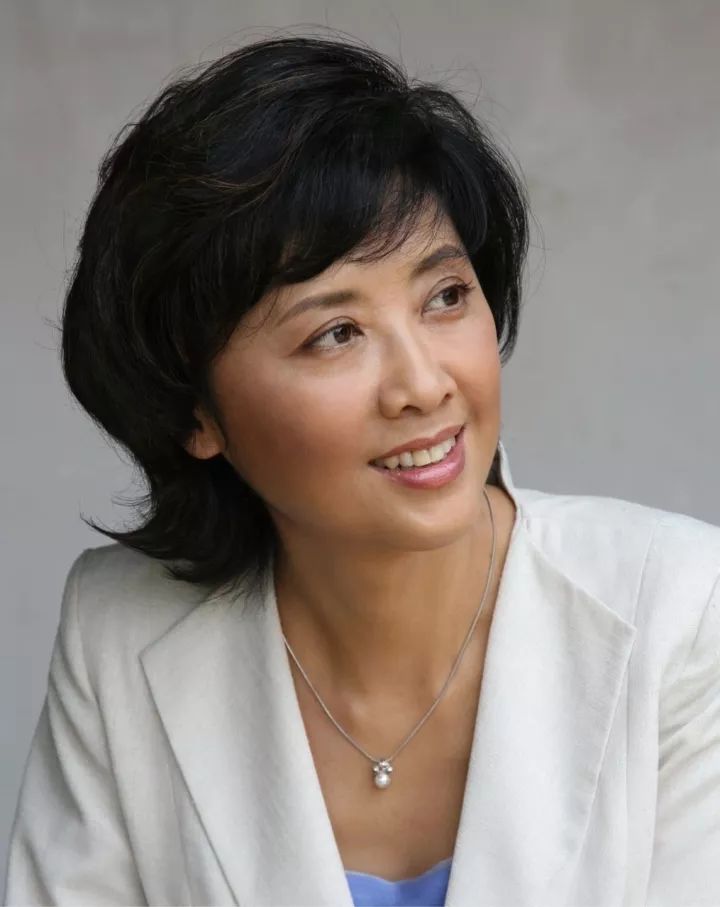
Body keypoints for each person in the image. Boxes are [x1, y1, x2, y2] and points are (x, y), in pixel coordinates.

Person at [4, 33, 719, 907]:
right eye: (336, 333)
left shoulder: (681, 608)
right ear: (196, 413)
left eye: (445, 296)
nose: (424, 384)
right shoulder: (116, 629)